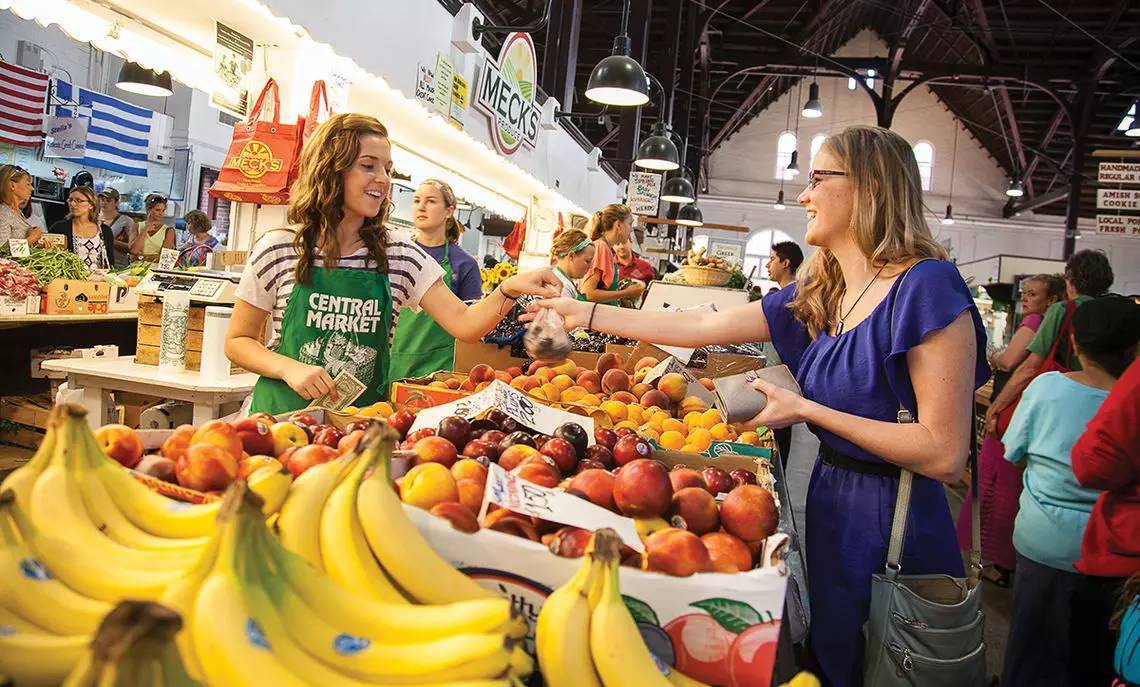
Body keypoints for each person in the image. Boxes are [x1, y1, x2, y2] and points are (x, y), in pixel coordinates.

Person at [529, 126, 988, 686]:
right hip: (830, 502)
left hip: (895, 518)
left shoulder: (926, 286)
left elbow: (943, 453)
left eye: (818, 178)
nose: (804, 194)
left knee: (887, 663)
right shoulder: (828, 291)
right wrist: (586, 313)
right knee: (836, 657)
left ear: (869, 186)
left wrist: (809, 411)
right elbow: (703, 326)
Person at [225, 114, 559, 415]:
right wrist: (287, 368)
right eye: (368, 166)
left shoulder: (399, 254)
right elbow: (238, 341)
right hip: (276, 421)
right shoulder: (280, 248)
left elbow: (465, 324)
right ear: (331, 168)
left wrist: (508, 289)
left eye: (387, 168)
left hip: (357, 425)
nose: (383, 179)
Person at [999, 296, 1140, 687]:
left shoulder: (1046, 388)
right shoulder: (1131, 403)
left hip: (1042, 545)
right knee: (1097, 661)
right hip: (1117, 558)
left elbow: (1014, 451)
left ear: (1075, 343)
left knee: (1030, 653)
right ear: (1134, 348)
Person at [956, 273, 1066, 586]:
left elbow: (1010, 361)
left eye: (1033, 294)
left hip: (1009, 415)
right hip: (1026, 413)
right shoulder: (1051, 328)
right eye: (1025, 293)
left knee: (995, 483)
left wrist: (994, 358)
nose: (1026, 299)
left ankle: (993, 562)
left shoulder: (1033, 323)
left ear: (1051, 300)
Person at [985, 250, 1115, 433]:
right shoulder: (1112, 313)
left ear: (1070, 280)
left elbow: (1029, 368)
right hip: (1104, 402)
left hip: (1065, 401)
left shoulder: (1062, 310)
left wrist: (996, 407)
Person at [387, 178, 484, 382]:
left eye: (431, 201)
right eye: (416, 200)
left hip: (438, 368)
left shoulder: (464, 264)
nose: (421, 207)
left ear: (449, 211)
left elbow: (473, 322)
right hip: (394, 359)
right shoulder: (398, 255)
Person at [579, 204, 646, 305]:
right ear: (618, 225)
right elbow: (588, 293)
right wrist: (626, 293)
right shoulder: (601, 247)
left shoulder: (606, 248)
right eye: (630, 224)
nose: (631, 229)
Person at [48, 186, 115, 271]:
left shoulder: (105, 231)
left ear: (91, 205)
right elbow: (51, 261)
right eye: (70, 200)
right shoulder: (59, 228)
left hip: (99, 278)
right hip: (69, 278)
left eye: (78, 200)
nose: (72, 204)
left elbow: (110, 263)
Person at [0, 164, 44, 245]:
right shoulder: (3, 214)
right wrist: (32, 238)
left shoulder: (17, 211)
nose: (32, 188)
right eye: (28, 184)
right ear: (12, 185)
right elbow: (2, 250)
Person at [549, 229, 596, 301]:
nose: (590, 267)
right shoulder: (562, 286)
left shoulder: (562, 279)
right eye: (587, 261)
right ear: (571, 256)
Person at [129, 193, 176, 260]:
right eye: (157, 210)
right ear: (148, 209)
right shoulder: (137, 226)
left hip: (155, 266)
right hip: (136, 266)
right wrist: (145, 230)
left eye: (163, 210)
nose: (161, 214)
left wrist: (141, 257)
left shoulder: (168, 230)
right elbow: (134, 250)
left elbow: (165, 258)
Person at [99, 188, 136, 268]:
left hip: (118, 265)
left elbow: (132, 247)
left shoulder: (126, 221)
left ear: (116, 203)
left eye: (108, 200)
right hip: (97, 264)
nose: (104, 203)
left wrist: (111, 241)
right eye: (102, 200)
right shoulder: (93, 219)